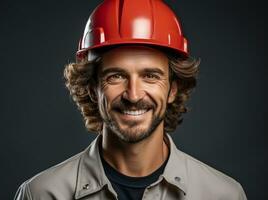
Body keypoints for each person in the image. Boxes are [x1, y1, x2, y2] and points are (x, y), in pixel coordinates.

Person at [14, 0, 247, 199]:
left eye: (150, 76)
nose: (133, 95)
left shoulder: (223, 194)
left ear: (173, 89)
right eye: (115, 76)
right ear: (93, 89)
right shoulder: (40, 194)